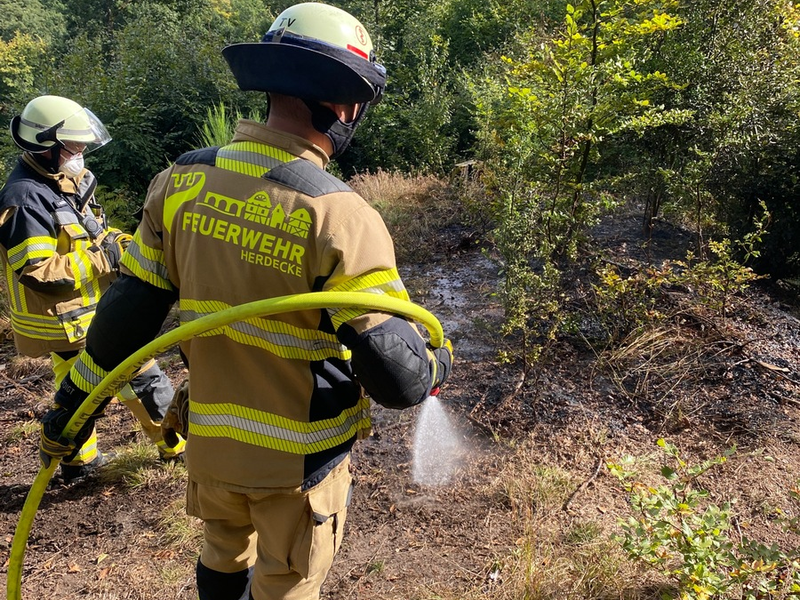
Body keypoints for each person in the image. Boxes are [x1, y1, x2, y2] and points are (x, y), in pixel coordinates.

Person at [40, 3, 453, 599]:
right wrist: (437, 361)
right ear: (342, 103)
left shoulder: (179, 182)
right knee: (285, 581)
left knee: (222, 555)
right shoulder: (338, 214)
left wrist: (70, 407)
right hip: (298, 467)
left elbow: (124, 322)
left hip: (212, 448)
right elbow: (396, 378)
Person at [0, 95, 185, 484]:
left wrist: (126, 243)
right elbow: (39, 273)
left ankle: (77, 461)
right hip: (65, 321)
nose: (82, 152)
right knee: (139, 375)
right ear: (45, 146)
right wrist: (106, 258)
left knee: (83, 391)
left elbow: (95, 233)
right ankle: (179, 447)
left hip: (89, 314)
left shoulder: (67, 183)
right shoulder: (24, 199)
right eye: (74, 146)